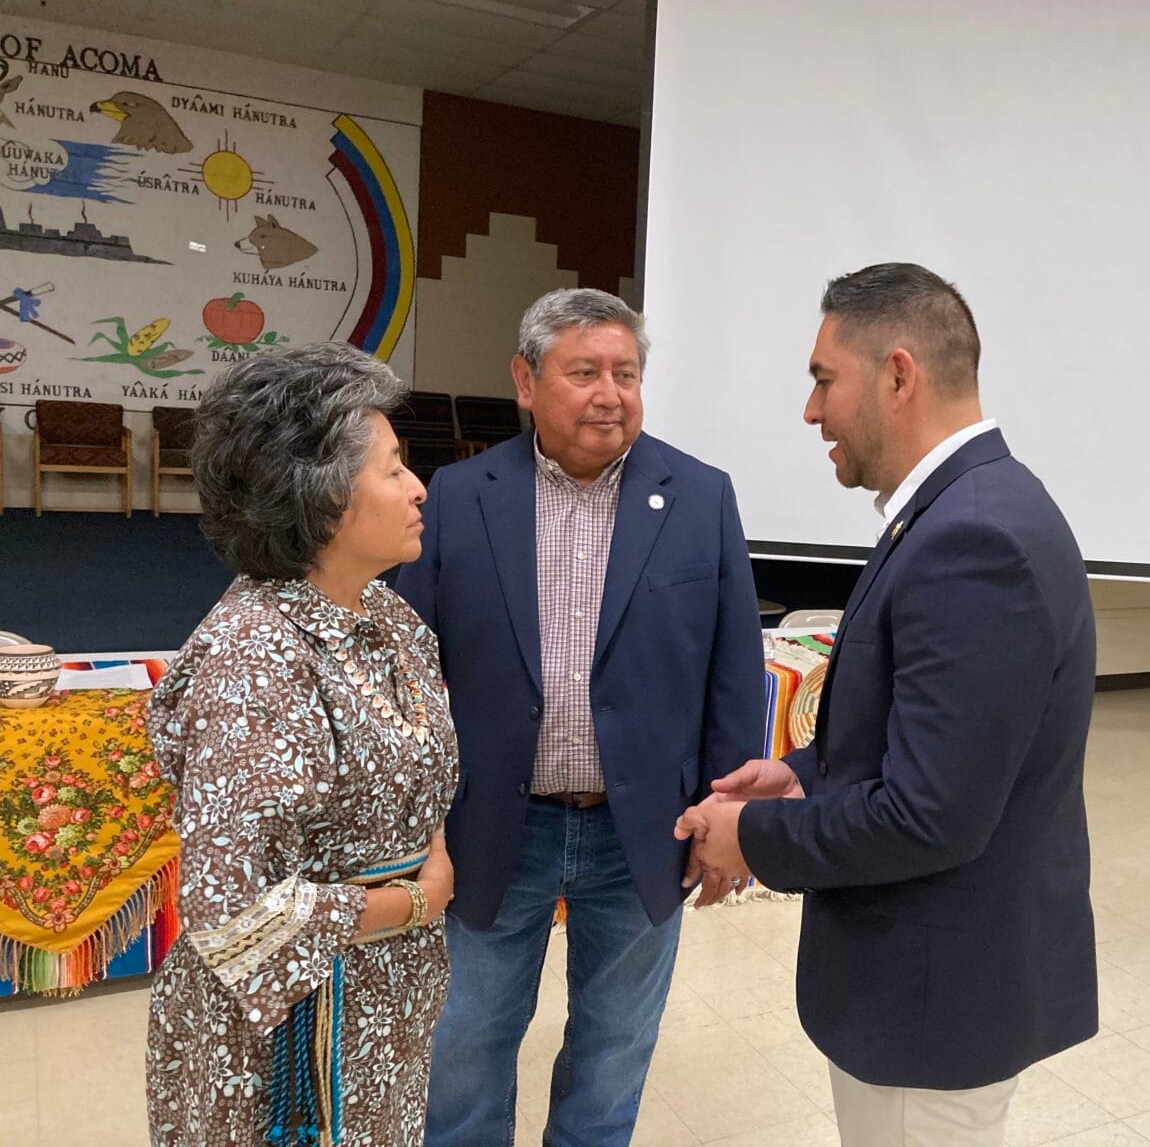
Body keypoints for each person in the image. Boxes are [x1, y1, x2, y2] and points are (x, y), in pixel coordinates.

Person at [675, 263, 1099, 1147]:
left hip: (932, 1005)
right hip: (932, 986)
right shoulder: (959, 511)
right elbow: (916, 742)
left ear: (898, 374)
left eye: (824, 380)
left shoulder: (974, 538)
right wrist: (798, 776)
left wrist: (748, 838)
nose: (811, 410)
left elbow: (931, 815)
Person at [396, 287, 764, 1146]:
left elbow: (733, 672)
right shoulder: (459, 495)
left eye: (627, 373)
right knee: (466, 1046)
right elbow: (409, 672)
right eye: (585, 371)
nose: (611, 393)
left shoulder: (701, 496)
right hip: (494, 827)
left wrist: (730, 814)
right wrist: (416, 826)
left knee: (612, 1054)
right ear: (526, 381)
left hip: (644, 831)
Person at [145, 342, 459, 1147]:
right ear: (321, 497)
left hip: (381, 998)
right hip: (287, 1035)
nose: (419, 487)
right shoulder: (255, 654)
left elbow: (416, 775)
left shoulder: (390, 622)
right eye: (393, 469)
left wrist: (426, 859)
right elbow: (233, 913)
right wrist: (416, 900)